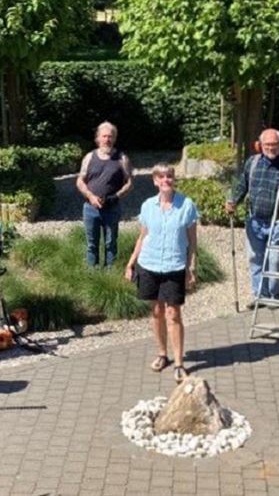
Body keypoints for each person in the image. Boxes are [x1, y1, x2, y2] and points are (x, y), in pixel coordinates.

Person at [125, 164, 199, 383]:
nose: (166, 180)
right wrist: (130, 264)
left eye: (170, 176)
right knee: (156, 311)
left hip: (174, 266)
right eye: (162, 177)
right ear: (155, 181)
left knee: (173, 314)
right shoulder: (148, 206)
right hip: (149, 264)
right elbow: (142, 237)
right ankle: (161, 354)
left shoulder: (186, 205)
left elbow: (192, 242)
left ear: (173, 180)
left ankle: (179, 363)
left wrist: (191, 268)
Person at [225, 128, 279, 308]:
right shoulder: (253, 162)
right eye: (267, 145)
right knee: (255, 259)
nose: (271, 148)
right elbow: (242, 185)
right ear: (259, 145)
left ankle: (276, 295)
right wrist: (233, 201)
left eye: (275, 144)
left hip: (277, 221)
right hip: (254, 219)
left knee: (275, 259)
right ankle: (260, 296)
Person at [76, 121, 134, 268]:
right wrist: (90, 196)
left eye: (111, 136)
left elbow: (129, 183)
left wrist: (115, 197)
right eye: (104, 136)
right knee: (91, 244)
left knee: (111, 243)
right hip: (90, 208)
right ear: (98, 138)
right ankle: (92, 274)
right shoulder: (89, 157)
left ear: (114, 139)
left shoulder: (122, 159)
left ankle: (110, 275)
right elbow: (80, 181)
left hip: (111, 208)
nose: (107, 139)